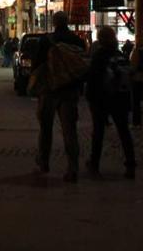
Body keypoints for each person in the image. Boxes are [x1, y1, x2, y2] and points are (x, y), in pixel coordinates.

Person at [32, 11, 86, 183]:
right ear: (67, 22)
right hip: (69, 90)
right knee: (70, 130)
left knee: (45, 128)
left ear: (54, 23)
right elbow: (82, 67)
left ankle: (44, 161)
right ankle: (73, 167)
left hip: (50, 89)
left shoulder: (46, 40)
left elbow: (37, 64)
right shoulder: (77, 41)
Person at [85, 27, 136, 179]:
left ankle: (94, 164)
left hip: (101, 98)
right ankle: (130, 164)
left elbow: (92, 78)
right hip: (120, 98)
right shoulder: (120, 55)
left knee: (98, 132)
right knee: (123, 131)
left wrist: (90, 97)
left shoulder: (99, 56)